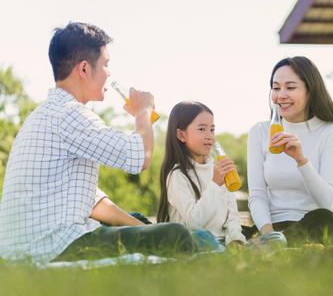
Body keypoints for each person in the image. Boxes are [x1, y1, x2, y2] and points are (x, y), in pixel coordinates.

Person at [0, 22, 194, 263]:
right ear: (84, 69)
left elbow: (92, 202)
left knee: (139, 220)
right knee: (175, 235)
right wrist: (143, 111)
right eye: (106, 64)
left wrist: (140, 227)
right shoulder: (69, 113)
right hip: (53, 246)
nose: (109, 73)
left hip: (31, 244)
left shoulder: (45, 114)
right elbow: (141, 156)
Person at [247, 56, 333, 247]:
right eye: (276, 87)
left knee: (324, 219)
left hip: (312, 225)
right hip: (270, 228)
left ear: (310, 91)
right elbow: (257, 194)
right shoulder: (260, 132)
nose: (281, 95)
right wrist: (270, 236)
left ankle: (275, 247)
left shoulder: (332, 132)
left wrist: (301, 160)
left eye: (290, 87)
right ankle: (274, 246)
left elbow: (326, 202)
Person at [156, 101, 246, 246]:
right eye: (202, 129)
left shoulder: (218, 171)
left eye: (212, 129)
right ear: (181, 135)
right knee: (203, 237)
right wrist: (215, 184)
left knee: (275, 238)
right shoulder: (177, 175)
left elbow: (232, 217)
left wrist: (236, 241)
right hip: (195, 243)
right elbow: (194, 223)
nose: (209, 135)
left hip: (222, 243)